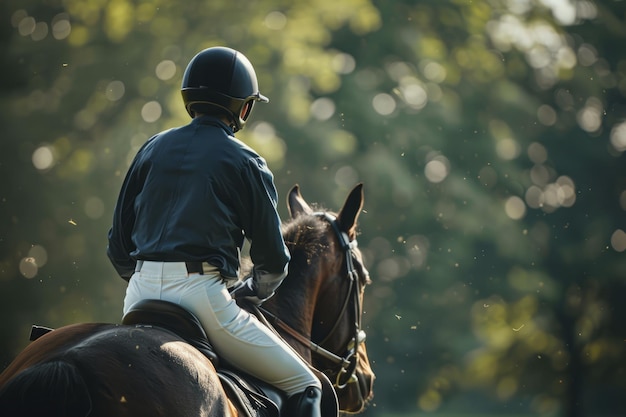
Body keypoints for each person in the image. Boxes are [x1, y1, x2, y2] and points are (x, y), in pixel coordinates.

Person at [107, 46, 322, 417]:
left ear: (190, 98)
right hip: (203, 299)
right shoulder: (246, 161)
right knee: (308, 385)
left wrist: (151, 274)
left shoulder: (151, 149)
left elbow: (117, 246)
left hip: (138, 295)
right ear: (243, 107)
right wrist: (252, 290)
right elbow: (273, 259)